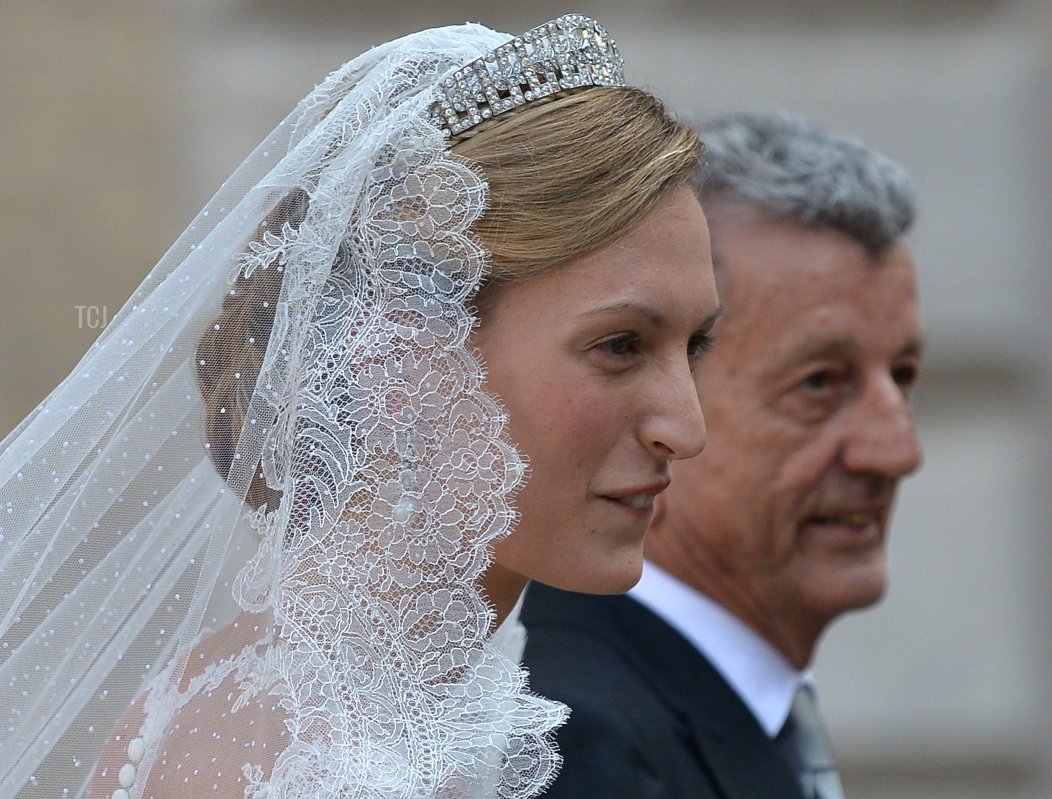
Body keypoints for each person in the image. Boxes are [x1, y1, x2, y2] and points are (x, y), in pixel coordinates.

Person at [0, 15, 721, 799]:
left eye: (696, 347)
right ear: (402, 351)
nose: (687, 428)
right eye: (619, 345)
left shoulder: (297, 701)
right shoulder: (333, 771)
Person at [521, 108, 924, 799]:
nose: (897, 450)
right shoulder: (577, 742)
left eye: (904, 375)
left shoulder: (732, 709)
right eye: (820, 383)